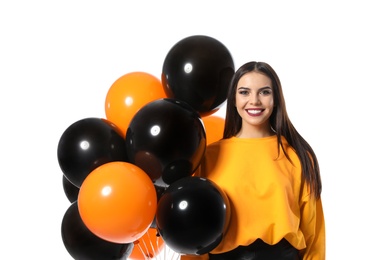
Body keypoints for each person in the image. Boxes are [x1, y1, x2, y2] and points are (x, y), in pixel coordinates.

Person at [181, 61, 325, 260]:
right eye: (244, 92)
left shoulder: (297, 155)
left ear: (276, 99)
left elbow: (313, 235)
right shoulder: (209, 156)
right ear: (233, 99)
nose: (254, 101)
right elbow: (196, 227)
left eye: (264, 92)